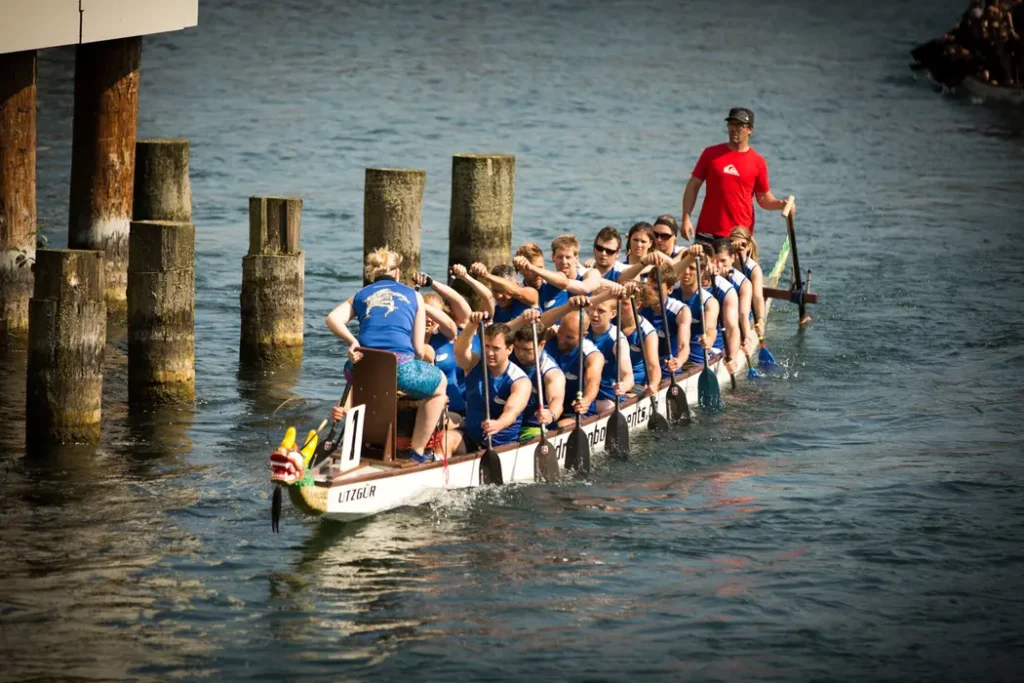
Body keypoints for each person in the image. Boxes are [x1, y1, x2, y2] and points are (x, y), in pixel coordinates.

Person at [325, 247, 447, 463]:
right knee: (440, 385)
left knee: (361, 385)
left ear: (373, 274)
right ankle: (417, 452)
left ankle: (354, 441)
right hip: (399, 368)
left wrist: (354, 341)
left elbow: (332, 319)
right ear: (397, 273)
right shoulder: (415, 296)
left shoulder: (361, 294)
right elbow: (418, 349)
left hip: (360, 364)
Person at [681, 108, 795, 243]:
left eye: (740, 125)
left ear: (750, 129)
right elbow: (693, 185)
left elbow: (763, 197)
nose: (734, 129)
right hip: (708, 231)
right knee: (702, 264)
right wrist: (686, 218)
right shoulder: (711, 154)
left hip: (739, 235)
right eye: (731, 124)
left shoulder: (758, 162)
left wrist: (781, 204)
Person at [453, 314, 531, 451]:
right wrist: (472, 324)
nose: (489, 352)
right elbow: (459, 352)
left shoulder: (520, 381)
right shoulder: (473, 364)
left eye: (495, 348)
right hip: (472, 437)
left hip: (500, 445)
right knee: (447, 439)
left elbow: (512, 411)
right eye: (487, 346)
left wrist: (498, 424)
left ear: (509, 349)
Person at [536, 297, 604, 420]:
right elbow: (539, 324)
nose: (561, 340)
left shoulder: (592, 356)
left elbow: (593, 382)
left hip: (576, 409)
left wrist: (586, 400)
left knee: (563, 425)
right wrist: (566, 307)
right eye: (561, 333)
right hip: (549, 406)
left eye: (569, 337)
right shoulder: (551, 337)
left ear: (583, 336)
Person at [515, 234, 602, 313]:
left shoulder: (590, 273)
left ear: (576, 258)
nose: (564, 261)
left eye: (568, 257)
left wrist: (532, 268)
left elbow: (585, 288)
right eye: (560, 257)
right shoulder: (548, 281)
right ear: (553, 257)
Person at [509, 321, 566, 440]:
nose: (520, 353)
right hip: (507, 423)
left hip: (533, 427)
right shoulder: (509, 356)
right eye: (517, 347)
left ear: (541, 345)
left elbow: (556, 400)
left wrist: (551, 414)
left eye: (526, 349)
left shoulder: (552, 373)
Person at [635, 262, 691, 377]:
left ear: (670, 290)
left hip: (668, 369)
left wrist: (679, 361)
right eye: (649, 286)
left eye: (656, 289)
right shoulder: (639, 304)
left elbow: (683, 346)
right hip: (644, 368)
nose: (650, 292)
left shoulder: (681, 311)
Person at [667, 247, 719, 366]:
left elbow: (710, 328)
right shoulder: (670, 291)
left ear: (701, 272)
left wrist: (709, 339)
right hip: (673, 354)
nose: (686, 272)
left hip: (696, 357)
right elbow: (663, 276)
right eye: (684, 266)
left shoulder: (709, 301)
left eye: (692, 268)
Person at [584, 290, 635, 411]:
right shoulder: (583, 329)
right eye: (593, 308)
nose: (594, 314)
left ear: (613, 314)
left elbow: (628, 376)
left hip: (608, 398)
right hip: (586, 393)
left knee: (609, 406)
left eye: (601, 311)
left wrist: (623, 386)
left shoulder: (617, 340)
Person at [711, 239, 757, 356]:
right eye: (715, 261)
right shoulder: (707, 278)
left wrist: (747, 337)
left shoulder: (743, 283)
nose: (719, 265)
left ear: (732, 258)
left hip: (740, 321)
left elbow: (743, 314)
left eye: (723, 261)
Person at [619, 281, 662, 394]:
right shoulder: (611, 321)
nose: (619, 307)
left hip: (636, 384)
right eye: (618, 302)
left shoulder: (647, 332)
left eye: (625, 303)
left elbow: (653, 366)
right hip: (612, 381)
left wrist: (653, 384)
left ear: (637, 305)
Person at [469, 262, 539, 323]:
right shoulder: (493, 311)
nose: (499, 296)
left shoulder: (530, 297)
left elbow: (516, 291)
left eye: (503, 291)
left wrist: (486, 275)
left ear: (517, 284)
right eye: (495, 291)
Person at [729, 226, 765, 338]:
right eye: (732, 243)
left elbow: (757, 297)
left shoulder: (754, 269)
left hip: (746, 312)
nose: (738, 248)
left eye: (742, 245)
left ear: (749, 247)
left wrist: (760, 320)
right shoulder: (724, 263)